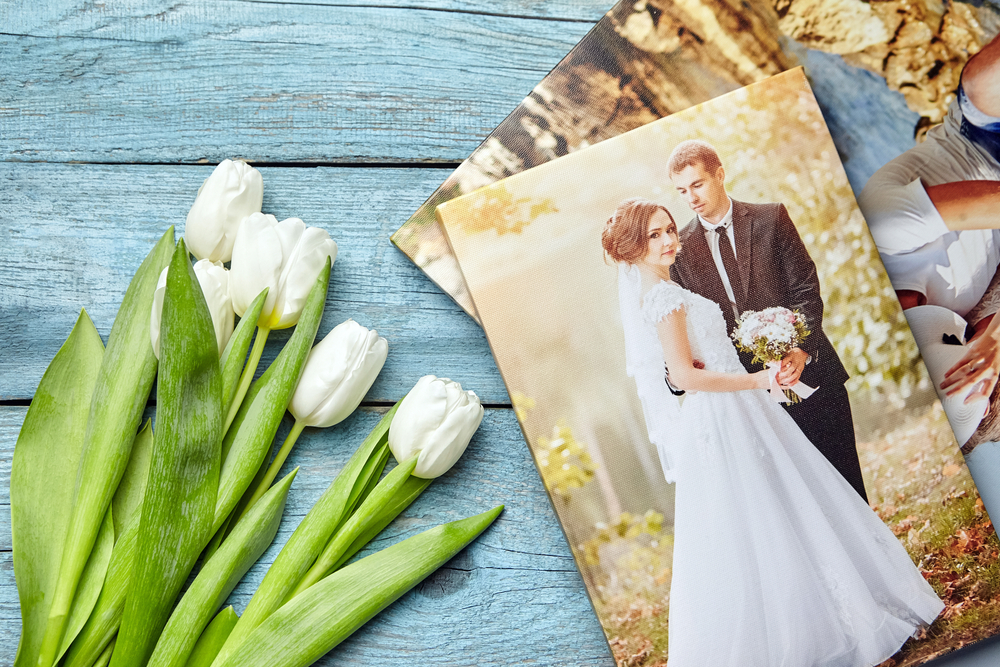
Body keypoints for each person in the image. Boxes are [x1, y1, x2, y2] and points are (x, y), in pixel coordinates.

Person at [603, 197, 943, 667]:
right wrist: (758, 380)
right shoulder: (662, 296)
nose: (668, 240)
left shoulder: (665, 286)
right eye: (655, 235)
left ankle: (824, 618)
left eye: (668, 230)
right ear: (633, 248)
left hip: (742, 409)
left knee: (784, 509)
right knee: (757, 521)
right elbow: (682, 376)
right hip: (724, 417)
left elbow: (686, 363)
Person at [664, 139, 868, 501]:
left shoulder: (771, 218)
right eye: (682, 190)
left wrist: (802, 349)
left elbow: (806, 288)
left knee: (847, 485)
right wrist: (680, 372)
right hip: (749, 397)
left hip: (811, 373)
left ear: (720, 175)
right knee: (794, 501)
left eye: (697, 184)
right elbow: (682, 327)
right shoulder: (679, 249)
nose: (691, 197)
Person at [858, 32, 1000, 408]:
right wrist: (993, 337)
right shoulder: (948, 326)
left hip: (982, 137)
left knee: (987, 82)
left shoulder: (883, 232)